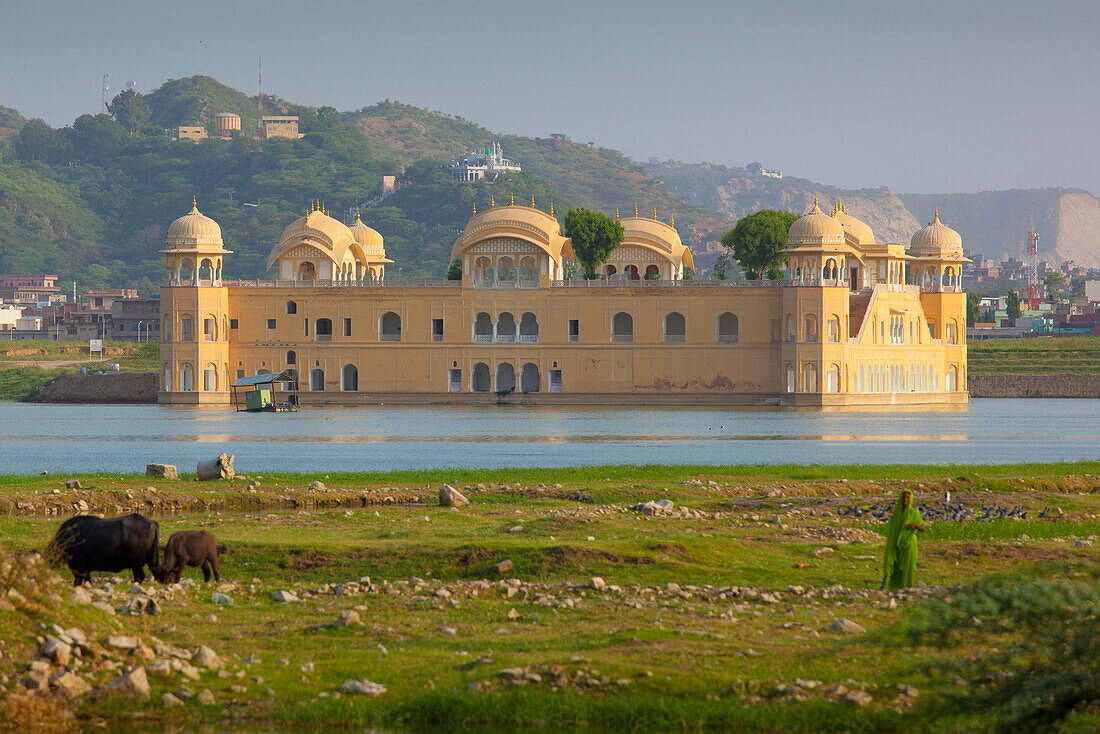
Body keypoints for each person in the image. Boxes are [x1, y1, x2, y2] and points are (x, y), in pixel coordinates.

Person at [882, 489, 925, 590]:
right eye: (903, 497)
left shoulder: (914, 512)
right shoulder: (896, 514)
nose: (905, 499)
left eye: (907, 498)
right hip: (896, 545)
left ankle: (907, 589)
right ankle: (895, 590)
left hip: (908, 545)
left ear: (911, 499)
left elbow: (922, 529)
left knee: (907, 569)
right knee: (896, 569)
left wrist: (914, 525)